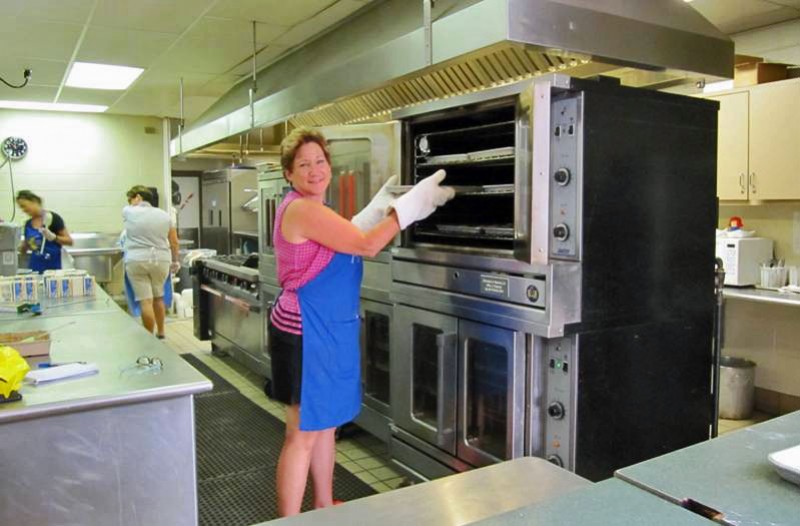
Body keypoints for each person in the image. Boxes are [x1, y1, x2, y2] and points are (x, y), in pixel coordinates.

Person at [269, 127, 454, 517]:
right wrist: (405, 209)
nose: (314, 170)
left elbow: (346, 236)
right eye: (303, 164)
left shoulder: (317, 209)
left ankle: (322, 504)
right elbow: (368, 244)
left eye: (320, 161)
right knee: (302, 433)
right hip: (307, 332)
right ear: (289, 173)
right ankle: (288, 522)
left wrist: (373, 211)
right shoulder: (302, 208)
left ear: (329, 166)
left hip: (325, 331)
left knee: (325, 426)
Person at [122, 185, 180, 339]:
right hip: (160, 260)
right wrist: (175, 261)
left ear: (138, 197)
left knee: (145, 301)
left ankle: (149, 337)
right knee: (158, 297)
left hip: (136, 260)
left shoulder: (128, 211)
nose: (130, 202)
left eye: (131, 199)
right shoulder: (165, 215)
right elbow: (174, 242)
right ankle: (161, 332)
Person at [16, 190, 73, 273]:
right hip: (35, 268)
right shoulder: (28, 224)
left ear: (34, 201)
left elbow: (69, 241)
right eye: (21, 207)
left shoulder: (52, 218)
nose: (23, 210)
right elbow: (26, 246)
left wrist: (54, 237)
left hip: (53, 269)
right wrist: (18, 248)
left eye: (24, 206)